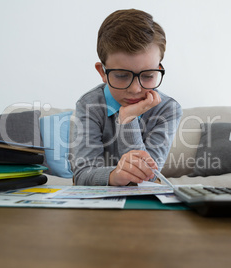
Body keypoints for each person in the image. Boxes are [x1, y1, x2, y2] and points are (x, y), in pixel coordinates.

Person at [72, 9, 182, 186]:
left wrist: (128, 119)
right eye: (122, 76)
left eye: (148, 76)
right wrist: (114, 175)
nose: (135, 89)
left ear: (159, 70)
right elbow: (82, 175)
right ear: (102, 72)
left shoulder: (168, 109)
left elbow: (149, 176)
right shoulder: (89, 104)